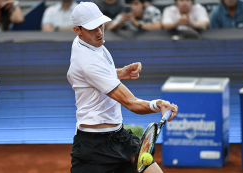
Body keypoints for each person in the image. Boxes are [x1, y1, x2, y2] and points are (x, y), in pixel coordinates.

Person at [67, 2, 178, 173]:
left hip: (119, 136)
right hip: (94, 148)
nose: (99, 33)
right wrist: (158, 104)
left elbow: (93, 78)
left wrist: (118, 73)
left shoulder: (88, 43)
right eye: (92, 29)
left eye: (100, 26)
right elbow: (131, 103)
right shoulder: (88, 62)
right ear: (77, 30)